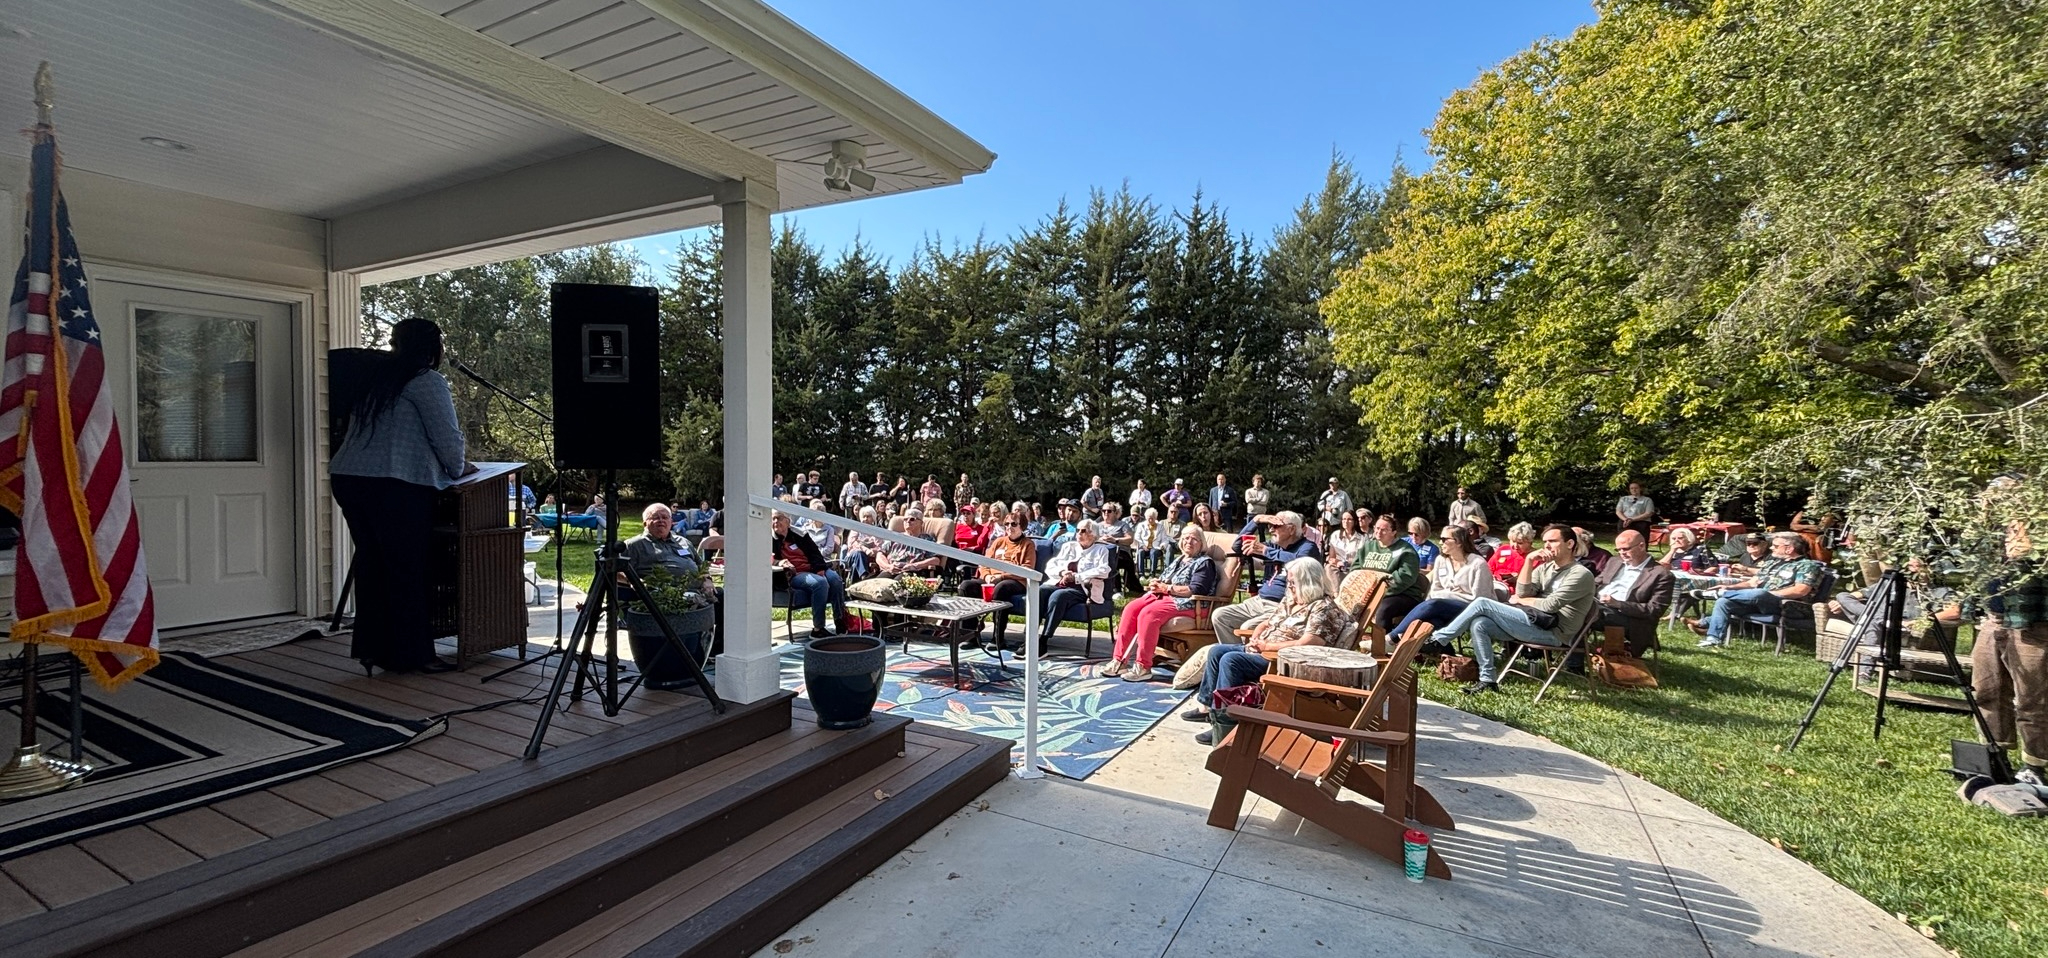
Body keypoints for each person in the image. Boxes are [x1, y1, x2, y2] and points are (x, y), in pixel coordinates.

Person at [331, 318, 471, 675]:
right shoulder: (426, 381)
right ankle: (415, 655)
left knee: (372, 564)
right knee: (407, 569)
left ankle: (372, 649)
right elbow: (446, 439)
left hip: (350, 477)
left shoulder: (375, 378)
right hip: (393, 485)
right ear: (434, 347)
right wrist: (459, 468)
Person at [1184, 557, 1348, 744]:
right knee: (1216, 651)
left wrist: (1267, 647)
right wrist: (1257, 635)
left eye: (1293, 582)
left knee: (1231, 661)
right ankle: (1209, 709)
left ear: (1307, 582)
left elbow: (1309, 643)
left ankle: (1227, 725)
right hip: (1263, 650)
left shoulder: (1323, 608)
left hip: (1284, 662)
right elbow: (1268, 622)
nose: (1290, 586)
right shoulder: (1293, 600)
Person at [1434, 523, 1597, 694]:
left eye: (1553, 541)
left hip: (1555, 633)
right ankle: (1488, 680)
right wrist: (1529, 561)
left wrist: (1523, 600)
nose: (1547, 546)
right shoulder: (1545, 567)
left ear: (1570, 544)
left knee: (1482, 603)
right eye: (1545, 541)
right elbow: (1522, 591)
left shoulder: (1580, 574)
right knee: (1480, 623)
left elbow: (1550, 605)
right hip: (1534, 621)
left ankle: (1439, 639)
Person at [1969, 476, 2046, 784]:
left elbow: (2022, 554)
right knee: (1986, 690)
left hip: (2033, 624)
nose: (1994, 501)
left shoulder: (2038, 527)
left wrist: (2019, 523)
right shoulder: (1989, 533)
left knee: (2033, 698)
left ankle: (2037, 766)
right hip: (1994, 618)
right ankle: (1994, 754)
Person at [1109, 524, 1219, 682]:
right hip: (1165, 596)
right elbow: (1164, 579)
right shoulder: (1180, 560)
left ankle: (1143, 666)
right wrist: (1156, 583)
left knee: (1148, 614)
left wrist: (1167, 588)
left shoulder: (1205, 563)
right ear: (1180, 541)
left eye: (1194, 539)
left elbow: (1197, 589)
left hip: (1190, 603)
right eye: (1186, 538)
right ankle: (1119, 660)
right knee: (1130, 608)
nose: (1189, 541)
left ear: (1201, 544)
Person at [622, 502, 726, 667]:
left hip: (698, 589)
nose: (661, 521)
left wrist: (706, 580)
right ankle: (688, 654)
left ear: (671, 522)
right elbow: (614, 570)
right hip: (668, 595)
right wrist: (635, 581)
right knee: (691, 602)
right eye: (655, 518)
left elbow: (701, 566)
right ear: (645, 523)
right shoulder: (635, 545)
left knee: (725, 597)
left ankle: (715, 650)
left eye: (665, 517)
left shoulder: (682, 541)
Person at [1686, 532, 1824, 648]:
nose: (1772, 549)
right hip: (1758, 602)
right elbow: (1753, 582)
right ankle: (1713, 638)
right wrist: (1729, 587)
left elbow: (1801, 590)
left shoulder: (1807, 566)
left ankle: (1717, 598)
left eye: (1775, 546)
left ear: (1789, 549)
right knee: (1723, 602)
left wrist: (1769, 595)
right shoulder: (1772, 563)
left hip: (1787, 606)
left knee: (1760, 593)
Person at [1212, 511, 1322, 645]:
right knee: (1220, 616)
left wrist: (1266, 551)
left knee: (1248, 626)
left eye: (1275, 526)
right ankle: (1236, 654)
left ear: (1291, 529)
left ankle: (1246, 658)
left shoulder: (1308, 547)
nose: (1270, 529)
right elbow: (1237, 547)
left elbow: (1299, 561)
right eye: (1269, 525)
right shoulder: (1274, 545)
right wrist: (1256, 521)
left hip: (1283, 605)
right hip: (1259, 601)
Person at [1397, 525, 1494, 638]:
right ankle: (1437, 649)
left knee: (1434, 604)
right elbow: (1434, 591)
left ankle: (1392, 638)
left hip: (1471, 608)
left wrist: (1448, 595)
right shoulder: (1441, 560)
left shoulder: (1478, 563)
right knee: (1432, 621)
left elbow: (1480, 599)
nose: (1440, 542)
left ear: (1459, 542)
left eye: (1444, 539)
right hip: (1443, 606)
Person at [961, 509, 1037, 654]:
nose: (1009, 527)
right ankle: (970, 634)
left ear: (1022, 526)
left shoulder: (1028, 544)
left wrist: (1001, 577)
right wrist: (987, 576)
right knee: (966, 586)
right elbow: (984, 562)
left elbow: (1027, 569)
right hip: (991, 578)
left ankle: (998, 638)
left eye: (1013, 524)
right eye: (1006, 524)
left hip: (1015, 581)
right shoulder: (999, 541)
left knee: (1001, 589)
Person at [1593, 530, 1674, 655]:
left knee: (1580, 613)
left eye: (1625, 549)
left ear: (1641, 546)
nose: (1622, 553)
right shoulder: (1615, 562)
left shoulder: (1661, 574)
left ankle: (1573, 661)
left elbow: (1655, 610)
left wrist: (1618, 604)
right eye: (1618, 550)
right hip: (1599, 605)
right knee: (1571, 607)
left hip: (1630, 618)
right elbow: (1597, 582)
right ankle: (1571, 654)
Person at [1038, 521, 1113, 653]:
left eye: (1083, 531)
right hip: (1059, 583)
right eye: (1078, 530)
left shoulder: (1101, 550)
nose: (1079, 533)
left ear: (1093, 535)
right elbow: (1051, 565)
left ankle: (1043, 640)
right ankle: (1031, 637)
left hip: (1083, 589)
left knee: (1058, 596)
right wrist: (1062, 572)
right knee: (1039, 591)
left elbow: (1104, 570)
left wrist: (1077, 577)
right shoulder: (1068, 546)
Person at [770, 512, 848, 638]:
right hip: (794, 574)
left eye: (778, 518)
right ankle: (818, 629)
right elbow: (766, 558)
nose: (775, 522)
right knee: (820, 583)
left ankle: (839, 620)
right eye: (772, 519)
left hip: (813, 568)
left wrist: (819, 570)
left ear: (787, 521)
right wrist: (780, 562)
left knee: (835, 580)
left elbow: (815, 554)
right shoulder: (769, 539)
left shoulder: (799, 534)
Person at [1354, 514, 1426, 638]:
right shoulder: (1368, 547)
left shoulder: (1406, 551)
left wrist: (1378, 593)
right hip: (1369, 591)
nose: (1378, 532)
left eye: (1384, 530)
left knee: (1383, 607)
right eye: (1377, 528)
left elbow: (1405, 578)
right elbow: (1355, 569)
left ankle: (1381, 645)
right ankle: (1352, 639)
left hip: (1402, 595)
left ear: (1394, 532)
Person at [876, 506, 945, 576]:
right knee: (878, 583)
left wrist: (914, 566)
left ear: (921, 523)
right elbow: (880, 554)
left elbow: (936, 560)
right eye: (905, 519)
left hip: (911, 572)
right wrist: (888, 567)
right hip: (891, 569)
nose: (908, 521)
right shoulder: (895, 537)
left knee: (895, 585)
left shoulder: (926, 540)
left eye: (912, 519)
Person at [1098, 502, 1142, 595]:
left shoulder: (1122, 525)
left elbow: (1130, 539)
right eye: (1104, 511)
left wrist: (1115, 540)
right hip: (1101, 552)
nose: (1106, 513)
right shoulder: (1097, 526)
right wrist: (1099, 539)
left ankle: (1116, 589)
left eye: (1109, 511)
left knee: (1113, 560)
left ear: (1115, 512)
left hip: (1120, 552)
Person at [842, 505, 886, 580]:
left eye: (868, 516)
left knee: (856, 565)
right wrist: (865, 549)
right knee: (859, 553)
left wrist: (873, 550)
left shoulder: (876, 531)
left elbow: (880, 546)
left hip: (870, 557)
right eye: (864, 516)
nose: (865, 519)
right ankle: (864, 576)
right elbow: (852, 544)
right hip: (853, 556)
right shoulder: (856, 529)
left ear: (873, 518)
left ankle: (857, 584)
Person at [1489, 521, 1535, 589]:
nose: (1515, 546)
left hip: (1517, 590)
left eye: (1520, 543)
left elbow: (1535, 580)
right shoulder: (1503, 549)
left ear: (1529, 542)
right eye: (1513, 541)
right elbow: (1489, 568)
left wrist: (1517, 578)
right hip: (1494, 585)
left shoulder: (1534, 557)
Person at [1131, 507, 1168, 577]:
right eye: (1149, 518)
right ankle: (1141, 574)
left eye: (1152, 518)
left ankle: (1152, 573)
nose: (1150, 520)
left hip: (1156, 547)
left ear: (1155, 518)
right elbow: (1137, 537)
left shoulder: (1160, 527)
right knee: (1140, 552)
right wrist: (1143, 545)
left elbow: (1165, 539)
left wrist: (1162, 545)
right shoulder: (1141, 525)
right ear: (1146, 517)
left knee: (1154, 552)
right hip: (1144, 546)